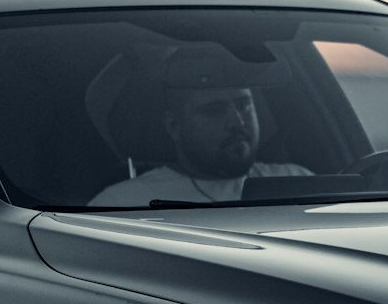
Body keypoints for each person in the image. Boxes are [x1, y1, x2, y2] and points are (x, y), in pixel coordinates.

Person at [89, 42, 310, 205]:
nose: (237, 121)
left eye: (244, 105)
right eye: (214, 110)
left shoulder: (298, 181)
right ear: (174, 126)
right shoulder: (124, 203)